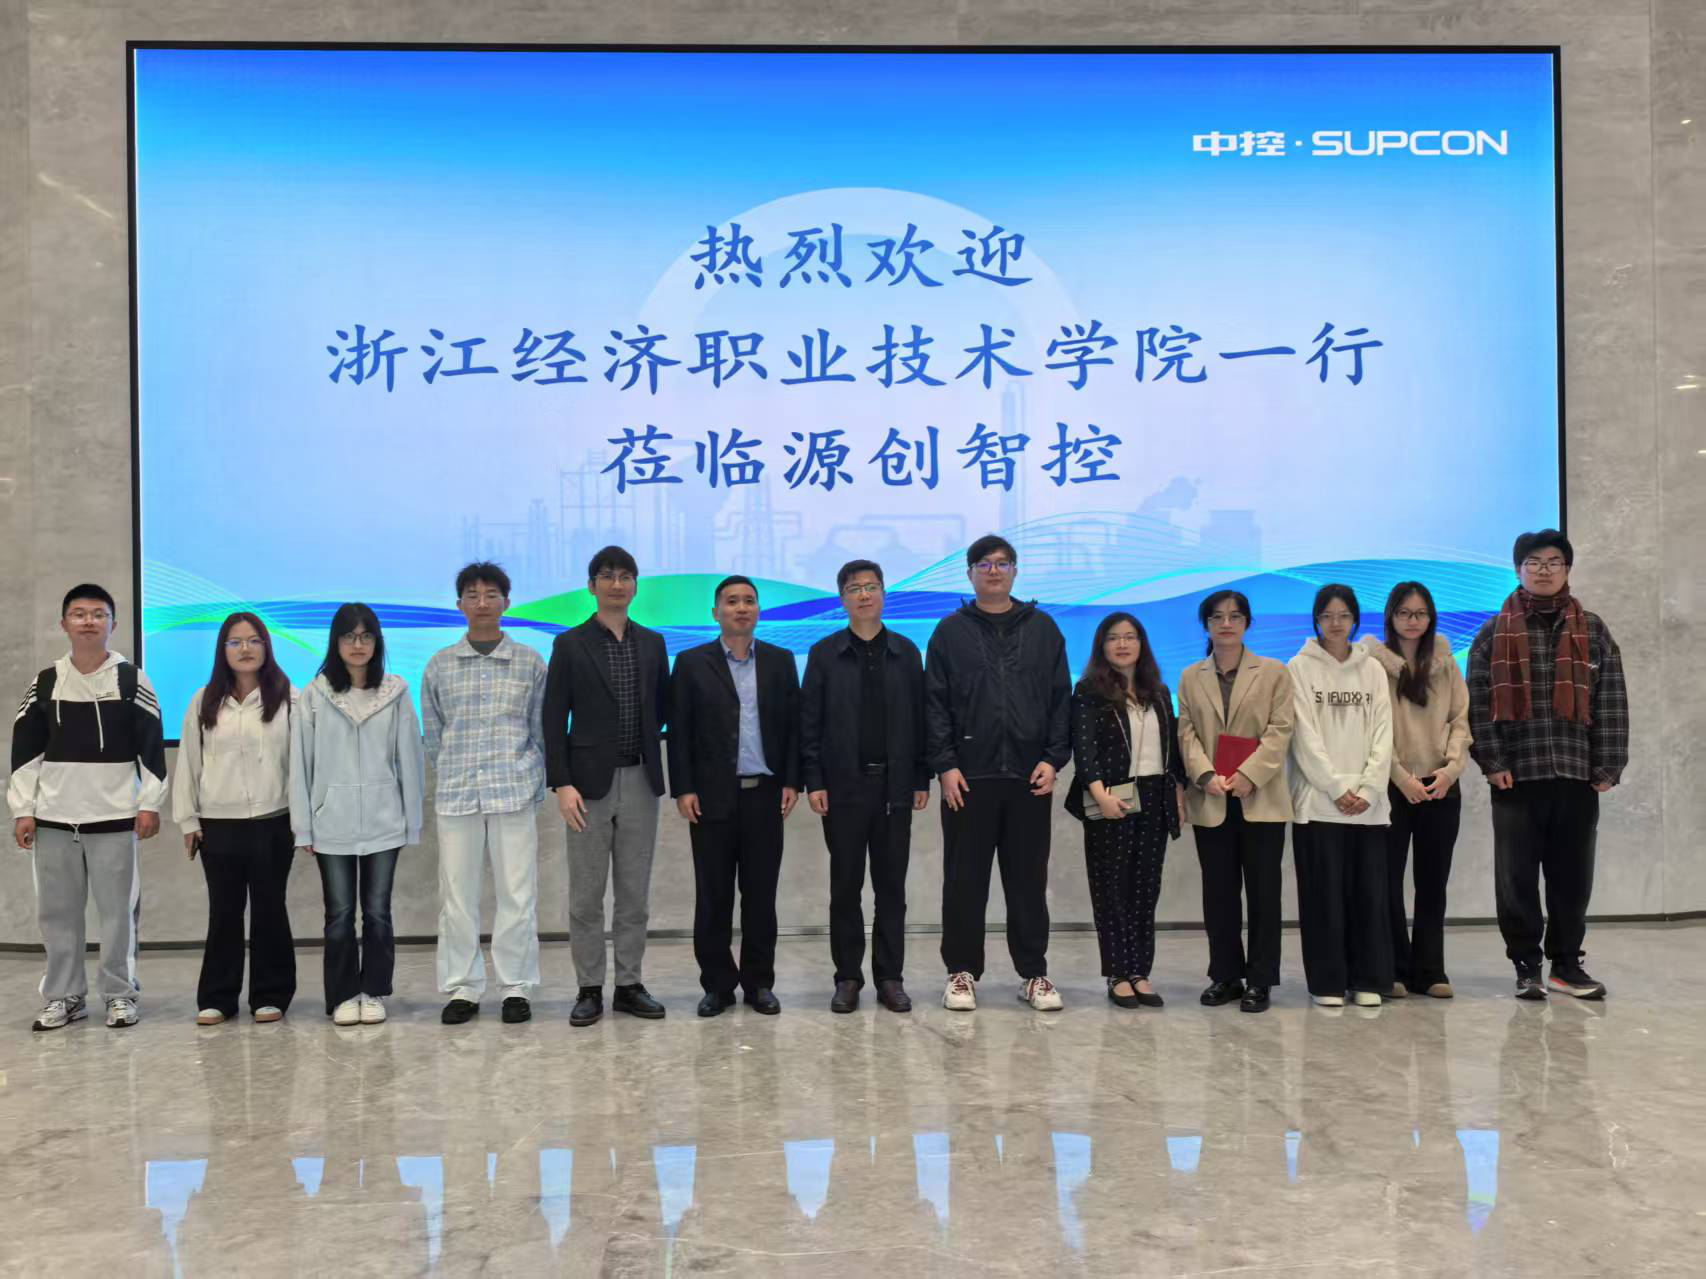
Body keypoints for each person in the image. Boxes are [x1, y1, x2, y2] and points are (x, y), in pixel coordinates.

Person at [1468, 530, 1628, 1001]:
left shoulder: (1592, 629)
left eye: (1554, 561)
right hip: (1515, 776)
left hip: (1576, 774)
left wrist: (1608, 765)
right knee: (1516, 878)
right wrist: (1491, 760)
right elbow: (1477, 700)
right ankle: (1526, 966)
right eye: (1533, 562)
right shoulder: (1494, 631)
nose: (1544, 570)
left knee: (1572, 877)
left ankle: (1566, 965)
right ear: (1518, 570)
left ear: (1567, 569)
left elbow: (1611, 699)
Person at [9, 584, 167, 1031]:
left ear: (113, 623)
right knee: (57, 915)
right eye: (78, 614)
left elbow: (152, 750)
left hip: (114, 821)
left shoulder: (131, 681)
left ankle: (120, 994)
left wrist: (149, 804)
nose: (88, 621)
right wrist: (23, 810)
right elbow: (24, 754)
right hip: (54, 822)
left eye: (98, 613)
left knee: (118, 916)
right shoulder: (45, 682)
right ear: (63, 624)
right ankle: (64, 996)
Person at [925, 534, 1071, 1013]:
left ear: (1015, 571)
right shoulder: (950, 632)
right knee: (964, 882)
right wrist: (945, 764)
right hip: (968, 780)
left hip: (1030, 778)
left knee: (1028, 882)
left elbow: (1060, 700)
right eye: (984, 563)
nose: (993, 570)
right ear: (969, 573)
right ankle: (961, 972)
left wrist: (1053, 758)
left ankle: (1033, 974)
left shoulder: (1043, 629)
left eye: (1003, 563)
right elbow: (935, 704)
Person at [543, 546, 670, 1026]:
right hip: (586, 788)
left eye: (625, 576)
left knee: (634, 894)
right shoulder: (570, 644)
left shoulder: (653, 643)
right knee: (586, 896)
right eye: (607, 576)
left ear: (635, 586)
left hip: (641, 780)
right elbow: (553, 718)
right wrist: (562, 782)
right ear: (591, 585)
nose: (617, 584)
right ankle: (590, 988)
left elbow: (664, 710)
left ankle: (630, 985)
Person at [422, 562, 549, 1027]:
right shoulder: (439, 664)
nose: (482, 603)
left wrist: (531, 778)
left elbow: (540, 730)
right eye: (472, 595)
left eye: (491, 594)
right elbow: (434, 735)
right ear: (459, 604)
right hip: (458, 795)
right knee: (457, 896)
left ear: (506, 603)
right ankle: (463, 987)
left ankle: (516, 986)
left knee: (518, 893)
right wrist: (453, 770)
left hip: (513, 791)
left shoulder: (530, 662)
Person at [800, 559, 928, 1014]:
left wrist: (919, 777)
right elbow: (809, 722)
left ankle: (890, 978)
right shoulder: (824, 654)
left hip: (895, 788)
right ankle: (848, 978)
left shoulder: (907, 652)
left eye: (872, 586)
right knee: (846, 888)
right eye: (855, 588)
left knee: (892, 889)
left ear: (884, 594)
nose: (865, 595)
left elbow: (920, 719)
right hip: (843, 789)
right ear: (842, 599)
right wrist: (814, 780)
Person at [668, 576, 800, 1017]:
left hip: (766, 795)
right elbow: (679, 731)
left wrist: (792, 781)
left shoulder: (781, 661)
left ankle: (759, 983)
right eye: (731, 601)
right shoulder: (691, 663)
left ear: (758, 610)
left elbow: (793, 728)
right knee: (714, 897)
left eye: (748, 601)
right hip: (710, 798)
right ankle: (718, 986)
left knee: (761, 897)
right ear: (716, 612)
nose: (741, 608)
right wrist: (684, 787)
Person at [290, 603, 424, 1026]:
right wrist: (303, 826)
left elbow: (409, 760)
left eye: (366, 636)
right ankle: (344, 994)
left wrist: (411, 821)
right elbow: (301, 764)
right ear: (336, 642)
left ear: (377, 642)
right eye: (349, 636)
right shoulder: (315, 695)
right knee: (340, 914)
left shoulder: (395, 693)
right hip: (332, 822)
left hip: (385, 821)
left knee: (379, 912)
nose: (358, 644)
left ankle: (374, 990)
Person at [172, 612, 298, 1025]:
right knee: (224, 912)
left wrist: (304, 822)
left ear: (266, 646)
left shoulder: (289, 698)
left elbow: (300, 765)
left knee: (269, 909)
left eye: (254, 640)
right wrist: (189, 821)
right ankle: (217, 997)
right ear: (222, 650)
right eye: (235, 642)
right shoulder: (203, 699)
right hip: (218, 823)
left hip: (274, 820)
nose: (245, 649)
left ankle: (270, 994)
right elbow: (189, 763)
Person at [1176, 589, 1294, 1014]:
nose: (1226, 624)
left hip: (1260, 797)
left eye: (1235, 616)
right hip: (1211, 797)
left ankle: (1260, 979)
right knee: (1219, 894)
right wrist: (1205, 774)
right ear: (1206, 624)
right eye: (1217, 617)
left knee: (1264, 893)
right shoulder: (1190, 676)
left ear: (1247, 623)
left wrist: (1249, 775)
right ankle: (1225, 975)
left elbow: (1281, 730)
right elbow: (1186, 732)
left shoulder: (1274, 671)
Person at [1064, 612, 1187, 1009]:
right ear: (1101, 645)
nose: (1122, 644)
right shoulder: (1089, 690)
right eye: (1114, 638)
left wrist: (1178, 792)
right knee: (1111, 889)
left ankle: (1140, 971)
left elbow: (1172, 750)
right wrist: (1099, 794)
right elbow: (1084, 748)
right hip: (1111, 796)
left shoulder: (1158, 691)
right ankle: (1117, 973)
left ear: (1141, 643)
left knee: (1145, 890)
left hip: (1154, 797)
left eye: (1130, 637)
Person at [1359, 582, 1471, 999]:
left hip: (1440, 786)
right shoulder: (1371, 664)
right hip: (1392, 787)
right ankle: (1395, 969)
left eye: (1420, 613)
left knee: (1432, 883)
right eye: (1404, 613)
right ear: (1390, 616)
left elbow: (1461, 720)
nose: (1412, 621)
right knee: (1387, 883)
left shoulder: (1445, 663)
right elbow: (1370, 728)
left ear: (1430, 617)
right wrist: (1400, 776)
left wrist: (1451, 771)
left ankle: (1431, 970)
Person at [1287, 584, 1395, 1009]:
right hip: (1318, 803)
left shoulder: (1373, 670)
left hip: (1368, 806)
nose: (1335, 623)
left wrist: (1368, 788)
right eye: (1327, 616)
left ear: (1355, 620)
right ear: (1316, 620)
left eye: (1343, 615)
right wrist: (1335, 787)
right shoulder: (1298, 667)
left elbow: (1384, 732)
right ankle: (1327, 982)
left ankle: (1367, 978)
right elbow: (1303, 736)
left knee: (1368, 896)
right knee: (1323, 898)